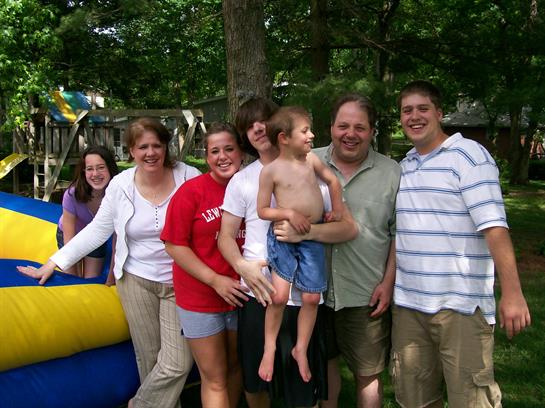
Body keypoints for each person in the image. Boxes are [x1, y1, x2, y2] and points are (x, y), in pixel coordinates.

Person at [17, 117, 200, 408]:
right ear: (131, 151)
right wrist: (53, 263)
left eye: (157, 145)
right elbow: (98, 230)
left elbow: (213, 212)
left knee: (177, 362)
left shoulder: (188, 176)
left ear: (166, 147)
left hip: (180, 280)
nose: (150, 152)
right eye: (143, 147)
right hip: (137, 280)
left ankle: (138, 405)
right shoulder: (122, 185)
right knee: (149, 359)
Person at [392, 80, 531, 408]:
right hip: (409, 307)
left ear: (439, 113)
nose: (414, 116)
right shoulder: (404, 166)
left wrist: (512, 293)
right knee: (413, 400)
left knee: (471, 400)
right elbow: (401, 234)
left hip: (461, 308)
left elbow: (495, 228)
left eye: (422, 108)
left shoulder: (469, 157)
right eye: (406, 110)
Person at [218, 97, 358, 408]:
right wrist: (242, 266)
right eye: (249, 124)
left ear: (279, 127)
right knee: (256, 385)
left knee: (300, 391)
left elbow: (348, 229)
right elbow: (225, 237)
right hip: (261, 293)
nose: (258, 128)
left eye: (263, 120)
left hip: (304, 296)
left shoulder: (310, 172)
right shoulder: (242, 180)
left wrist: (308, 231)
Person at [312, 94, 401, 408]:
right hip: (313, 289)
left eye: (360, 127)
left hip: (365, 293)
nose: (350, 134)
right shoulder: (307, 162)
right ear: (331, 127)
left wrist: (388, 283)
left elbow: (396, 235)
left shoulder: (393, 173)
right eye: (343, 126)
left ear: (372, 130)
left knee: (368, 373)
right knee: (324, 364)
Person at [161, 123, 248, 408]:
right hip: (201, 298)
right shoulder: (192, 192)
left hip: (242, 296)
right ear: (206, 156)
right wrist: (214, 280)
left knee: (236, 368)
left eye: (229, 149)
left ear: (240, 151)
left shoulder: (254, 186)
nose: (222, 156)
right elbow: (174, 244)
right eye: (214, 151)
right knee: (215, 378)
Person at [256, 106, 343, 384]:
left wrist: (337, 209)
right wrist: (289, 213)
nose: (312, 135)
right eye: (305, 131)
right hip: (283, 237)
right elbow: (262, 211)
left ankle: (300, 348)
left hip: (311, 239)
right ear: (284, 138)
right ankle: (269, 348)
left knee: (311, 298)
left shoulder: (311, 161)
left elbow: (332, 181)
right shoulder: (271, 171)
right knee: (279, 297)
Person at [56, 145, 118, 280]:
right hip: (71, 236)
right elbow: (70, 242)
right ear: (84, 172)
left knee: (91, 281)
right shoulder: (72, 194)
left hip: (96, 236)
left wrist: (111, 278)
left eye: (101, 167)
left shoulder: (118, 195)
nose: (95, 174)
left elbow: (117, 242)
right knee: (72, 279)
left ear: (110, 168)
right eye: (90, 169)